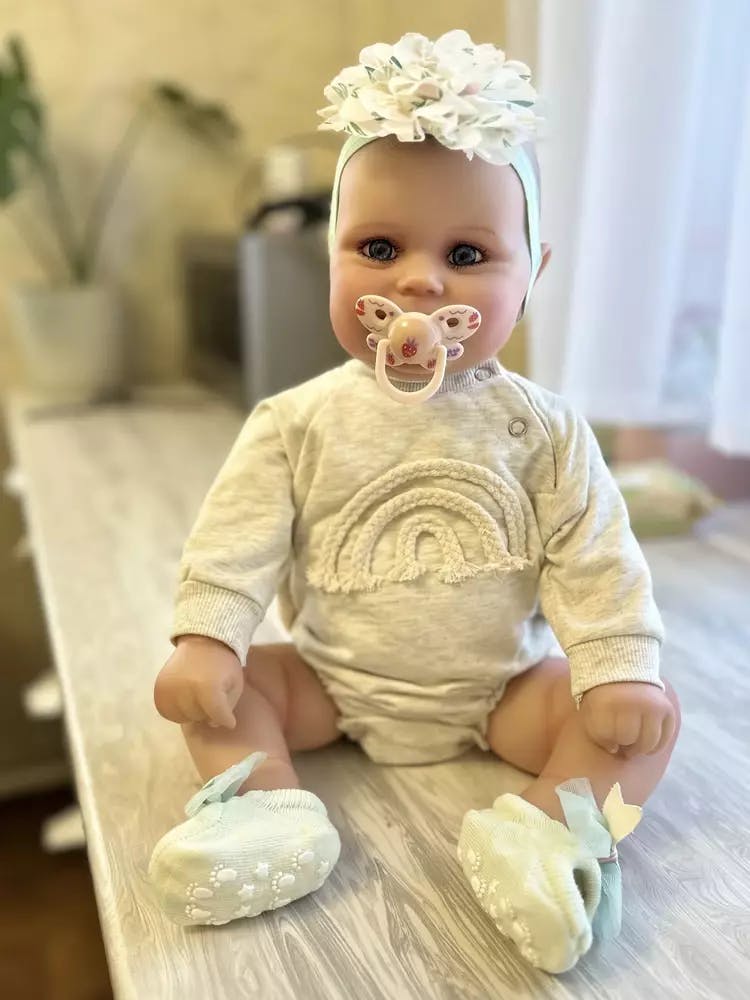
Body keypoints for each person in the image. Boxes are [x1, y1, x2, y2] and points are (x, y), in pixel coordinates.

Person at [149, 31, 680, 974]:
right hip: (330, 685)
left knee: (641, 720)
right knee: (223, 698)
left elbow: (596, 556)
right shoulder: (295, 422)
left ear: (534, 272)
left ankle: (548, 839)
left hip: (502, 693)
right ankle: (266, 814)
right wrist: (209, 640)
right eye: (380, 247)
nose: (420, 280)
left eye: (467, 253)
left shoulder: (547, 431)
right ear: (331, 257)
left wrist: (618, 670)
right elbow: (234, 541)